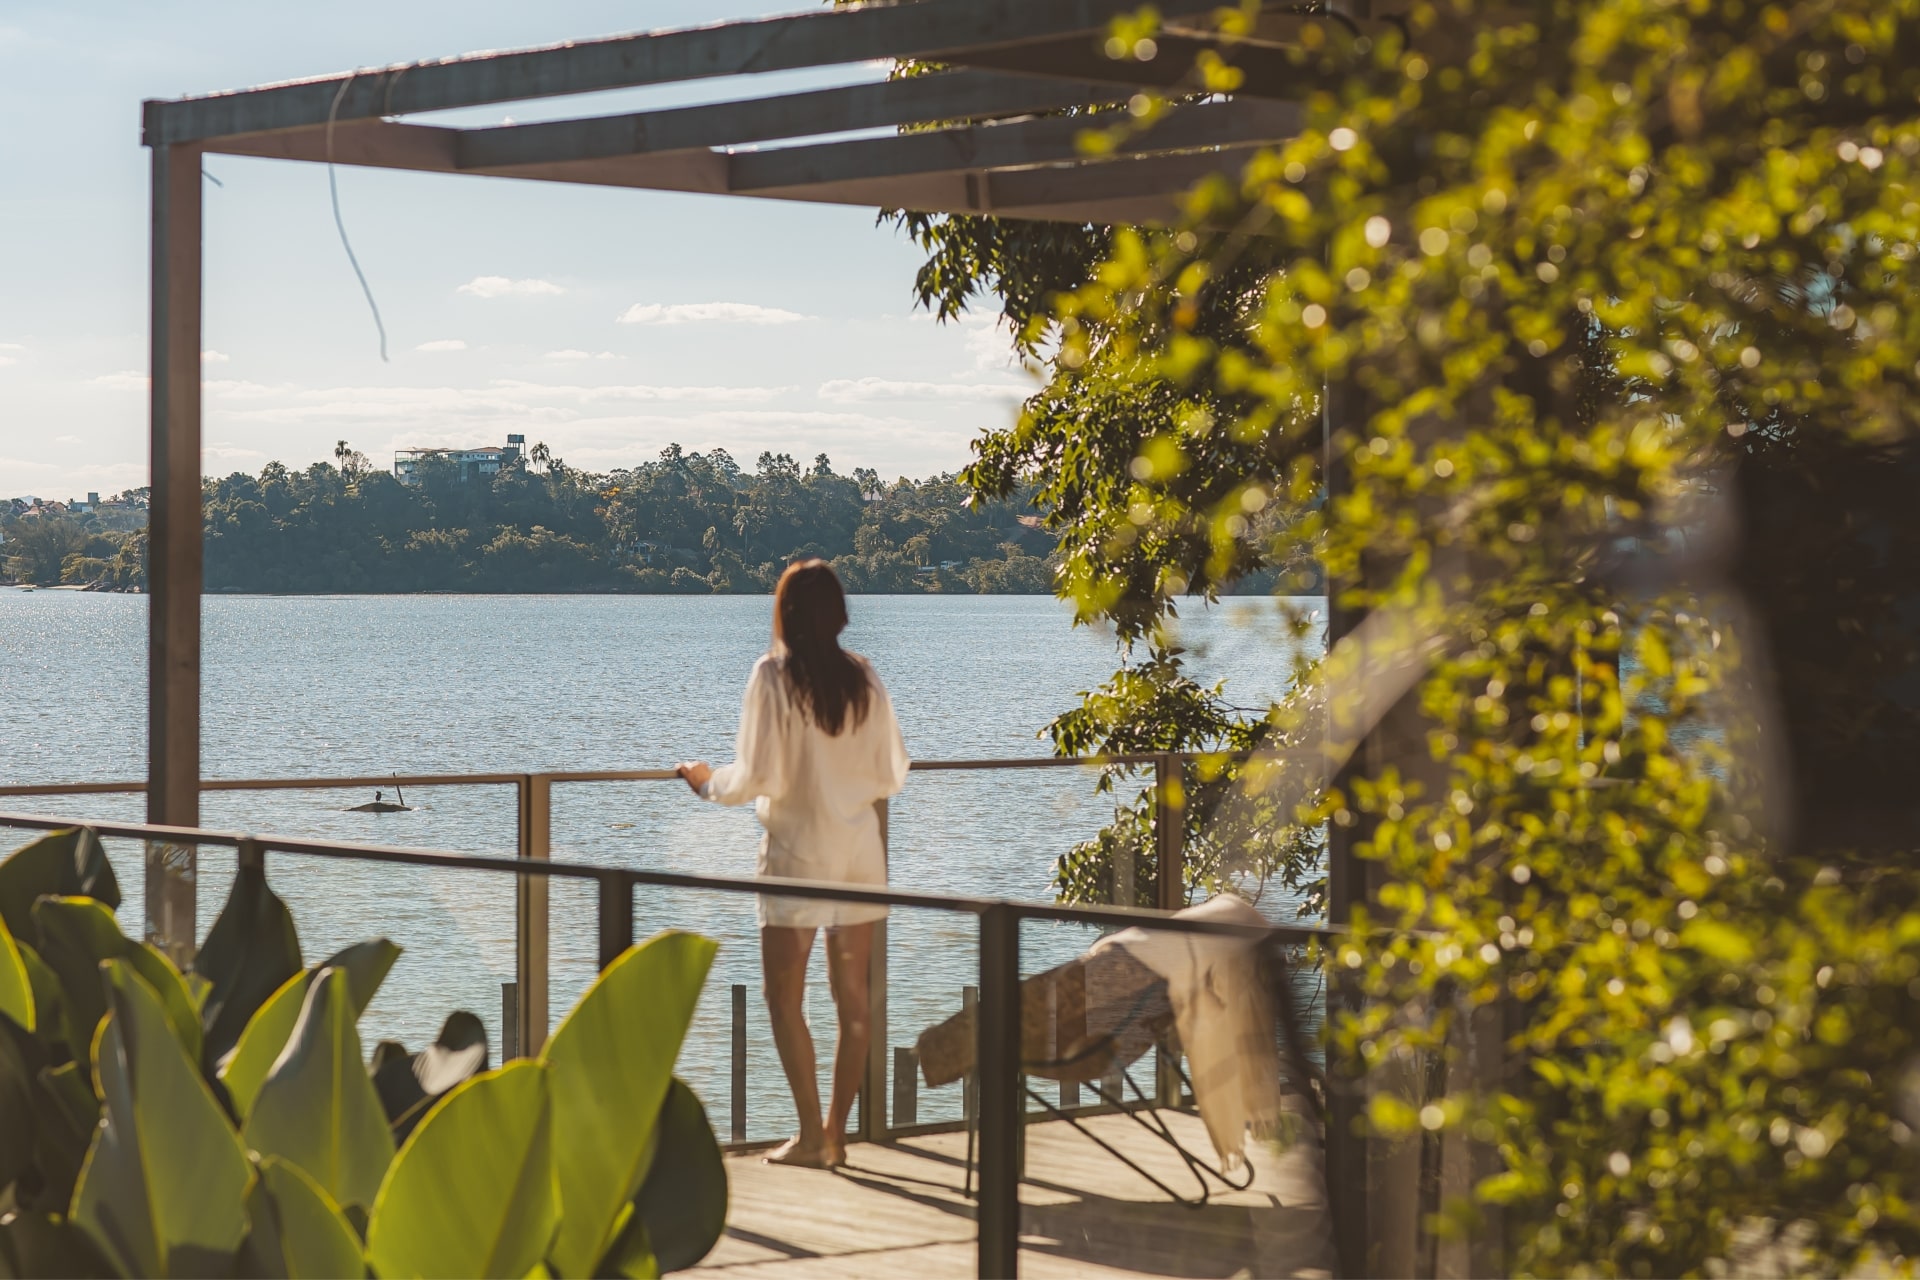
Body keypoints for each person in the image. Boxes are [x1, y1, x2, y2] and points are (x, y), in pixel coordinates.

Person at [676, 559, 909, 1168]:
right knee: (852, 1002)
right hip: (859, 855)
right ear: (837, 613)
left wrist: (705, 783)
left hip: (794, 856)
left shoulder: (773, 675)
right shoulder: (864, 677)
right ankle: (836, 1134)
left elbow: (752, 776)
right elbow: (891, 773)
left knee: (785, 999)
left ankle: (811, 1136)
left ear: (785, 612)